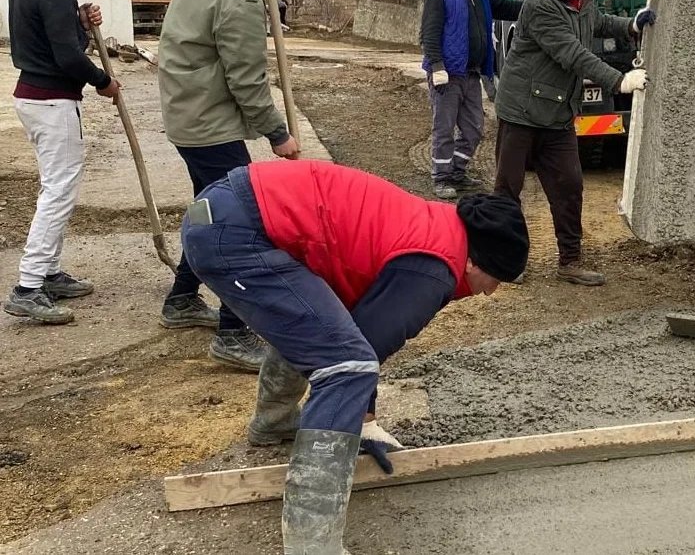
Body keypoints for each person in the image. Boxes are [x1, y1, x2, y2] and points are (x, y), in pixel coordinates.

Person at [180, 159, 528, 553]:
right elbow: (362, 351)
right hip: (236, 233)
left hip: (225, 214)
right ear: (475, 261)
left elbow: (349, 329)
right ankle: (313, 544)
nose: (490, 292)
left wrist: (362, 419)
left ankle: (274, 424)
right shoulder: (433, 267)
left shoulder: (434, 227)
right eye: (495, 279)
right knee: (344, 367)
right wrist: (359, 422)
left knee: (318, 332)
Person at [156, 0, 300, 371]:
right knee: (237, 222)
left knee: (209, 207)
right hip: (208, 122)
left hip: (187, 113)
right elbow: (247, 79)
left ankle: (180, 299)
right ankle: (232, 333)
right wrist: (278, 133)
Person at [492, 0, 654, 286]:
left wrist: (630, 24)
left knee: (569, 185)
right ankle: (507, 261)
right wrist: (619, 81)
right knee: (508, 188)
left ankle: (570, 261)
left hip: (558, 113)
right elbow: (571, 52)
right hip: (520, 111)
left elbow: (595, 22)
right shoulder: (539, 3)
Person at [3, 0, 122, 325]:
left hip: (37, 98)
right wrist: (102, 80)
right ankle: (28, 286)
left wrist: (78, 19)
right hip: (51, 102)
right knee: (58, 192)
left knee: (56, 187)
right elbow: (68, 57)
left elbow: (52, 34)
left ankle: (49, 273)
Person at [420, 0, 523, 199]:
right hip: (448, 75)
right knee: (443, 128)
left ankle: (457, 171)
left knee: (474, 128)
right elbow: (429, 33)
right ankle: (441, 178)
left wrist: (536, 5)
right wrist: (436, 66)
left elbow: (509, 8)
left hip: (472, 74)